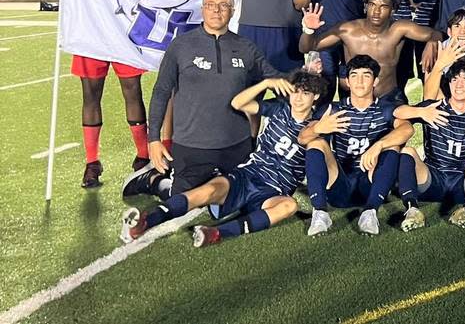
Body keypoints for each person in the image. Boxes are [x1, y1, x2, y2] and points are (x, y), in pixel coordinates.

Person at [22, 0, 163, 187]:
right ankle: (92, 162)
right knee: (91, 95)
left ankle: (141, 157)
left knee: (132, 92)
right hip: (90, 28)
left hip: (124, 30)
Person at [120, 71, 325, 247]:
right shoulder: (278, 109)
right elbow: (237, 103)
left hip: (274, 191)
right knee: (205, 192)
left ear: (315, 97)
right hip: (248, 175)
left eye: (305, 93)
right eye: (295, 91)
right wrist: (265, 83)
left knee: (289, 206)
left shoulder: (320, 126)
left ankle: (215, 233)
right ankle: (145, 220)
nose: (298, 98)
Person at [142, 0, 281, 196]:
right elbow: (161, 91)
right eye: (211, 5)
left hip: (236, 146)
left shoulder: (246, 47)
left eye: (224, 5)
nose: (217, 10)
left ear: (233, 11)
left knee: (237, 202)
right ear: (202, 9)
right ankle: (152, 181)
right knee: (181, 202)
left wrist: (306, 72)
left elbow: (276, 79)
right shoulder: (181, 45)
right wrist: (153, 139)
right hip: (191, 148)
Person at [299, 55, 422, 236]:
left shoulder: (385, 108)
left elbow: (406, 129)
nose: (360, 81)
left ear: (375, 81)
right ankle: (320, 213)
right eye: (354, 75)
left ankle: (371, 212)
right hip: (339, 186)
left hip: (371, 184)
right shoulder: (334, 109)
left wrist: (379, 145)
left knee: (393, 147)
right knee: (315, 142)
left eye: (366, 75)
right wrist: (319, 127)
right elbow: (302, 138)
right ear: (347, 81)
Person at [396, 56, 465, 232]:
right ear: (448, 84)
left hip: (463, 182)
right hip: (432, 179)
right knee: (408, 151)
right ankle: (412, 210)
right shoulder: (434, 107)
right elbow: (398, 111)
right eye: (454, 79)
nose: (459, 85)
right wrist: (420, 112)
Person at [299, 0, 442, 105]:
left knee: (405, 126)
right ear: (366, 6)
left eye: (383, 6)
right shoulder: (347, 30)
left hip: (389, 99)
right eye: (372, 4)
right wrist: (309, 30)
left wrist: (432, 42)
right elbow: (307, 47)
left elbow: (436, 34)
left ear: (393, 10)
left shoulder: (399, 29)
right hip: (355, 99)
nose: (376, 11)